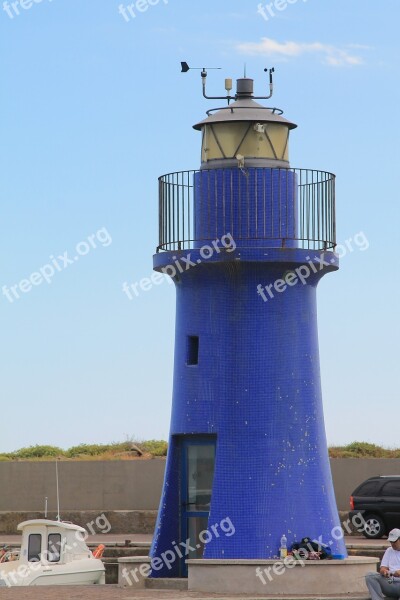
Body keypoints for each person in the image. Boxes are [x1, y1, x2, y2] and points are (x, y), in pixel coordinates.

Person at [365, 528, 400, 599]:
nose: (392, 544)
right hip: (391, 582)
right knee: (370, 576)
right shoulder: (389, 550)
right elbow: (382, 568)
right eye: (390, 541)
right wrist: (385, 572)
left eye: (394, 541)